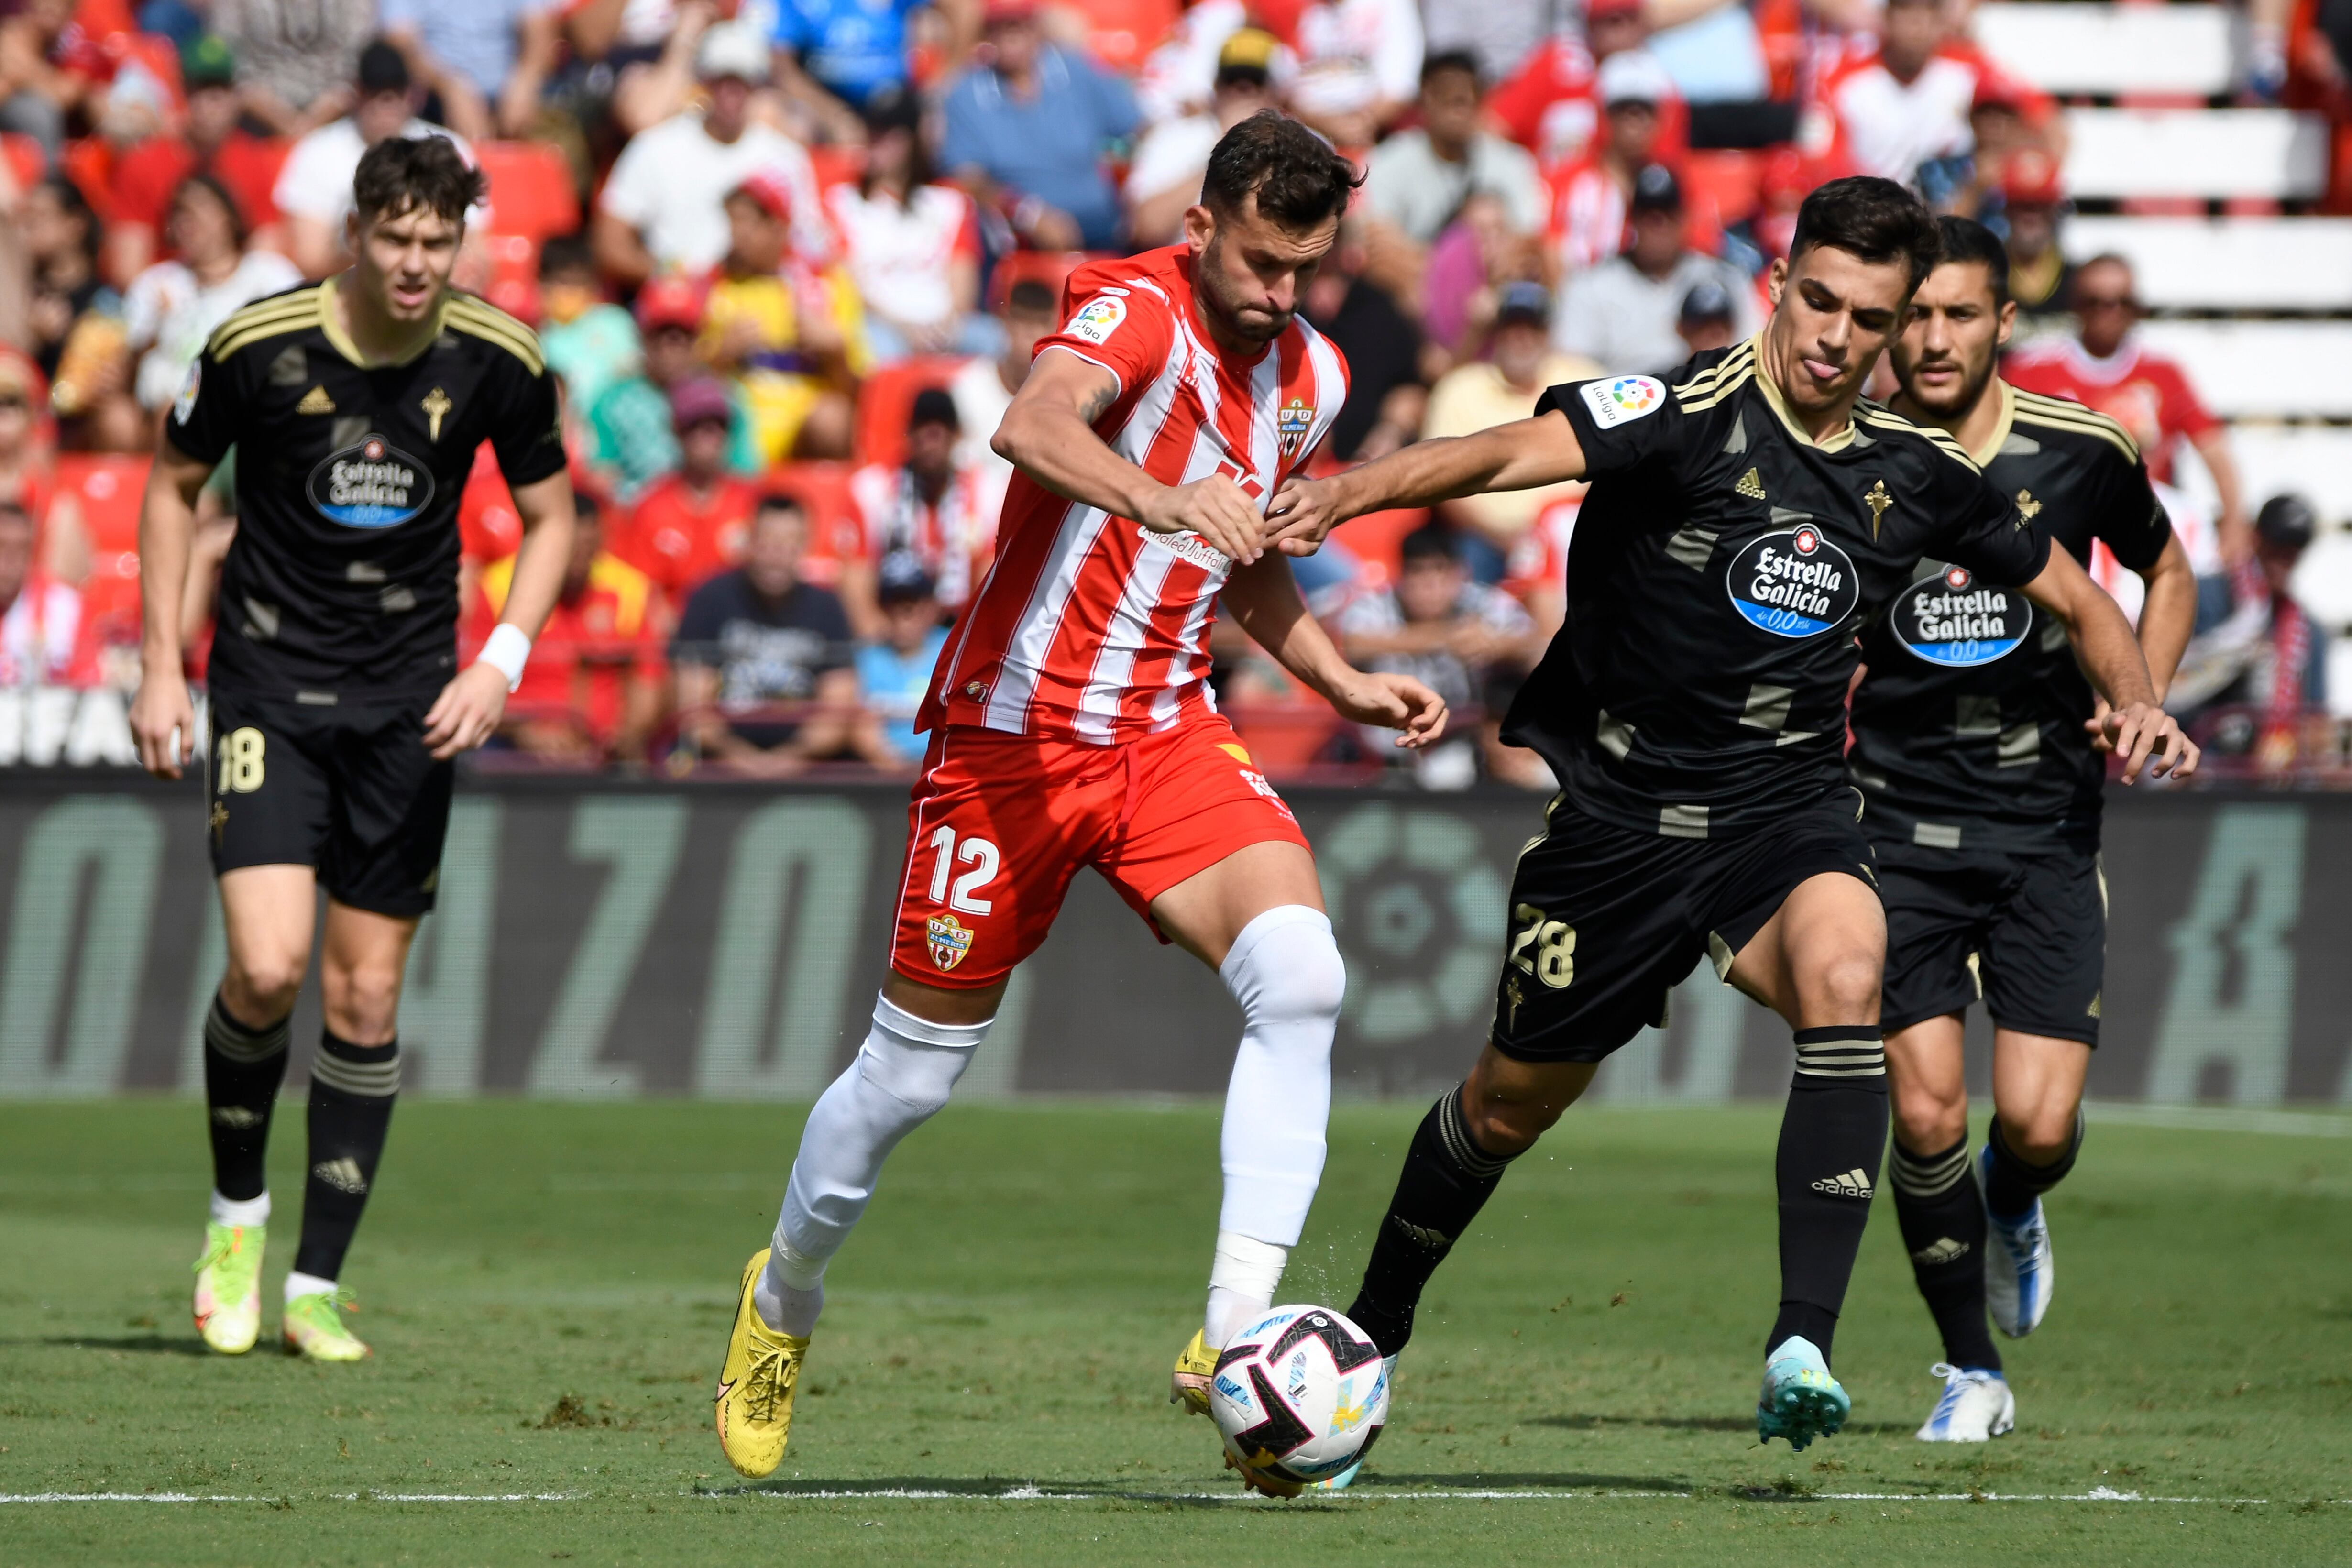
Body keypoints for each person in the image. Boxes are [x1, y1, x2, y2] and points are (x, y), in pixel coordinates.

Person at [1262, 175, 2195, 1464]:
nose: (1834, 334)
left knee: (1847, 970)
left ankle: (1797, 1342)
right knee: (1504, 1105)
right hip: (1618, 822)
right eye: (1817, 298)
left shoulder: (1913, 475)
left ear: (1890, 329)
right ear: (1778, 285)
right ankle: (1369, 1332)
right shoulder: (1683, 412)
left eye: (1866, 318)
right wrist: (1345, 493)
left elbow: (2088, 607)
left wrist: (2135, 697)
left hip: (1788, 811)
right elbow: (1496, 455)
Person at [707, 111, 1447, 1487]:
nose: (1281, 296)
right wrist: (1165, 496)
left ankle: (1233, 1334)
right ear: (1200, 226)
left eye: (1307, 269)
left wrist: (1341, 679)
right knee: (905, 1077)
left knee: (1301, 975)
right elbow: (1031, 423)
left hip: (1165, 728)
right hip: (1010, 742)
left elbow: (1252, 566)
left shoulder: (1312, 372)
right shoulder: (1129, 303)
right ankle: (783, 1296)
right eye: (1263, 264)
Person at [127, 134, 576, 1362]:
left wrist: (504, 659)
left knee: (365, 995)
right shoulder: (254, 344)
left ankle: (317, 1281)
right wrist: (162, 661)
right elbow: (170, 484)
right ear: (356, 233)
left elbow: (551, 516)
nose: (420, 263)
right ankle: (236, 1218)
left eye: (441, 241)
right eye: (398, 239)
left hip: (411, 705)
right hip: (268, 685)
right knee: (269, 971)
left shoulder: (499, 359)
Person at [1851, 217, 2195, 1443]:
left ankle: (2012, 1201)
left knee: (2035, 1128)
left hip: (2046, 822)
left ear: (2003, 322)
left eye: (1957, 314)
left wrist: (2136, 703)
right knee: (1926, 1111)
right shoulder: (1846, 451)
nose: (1930, 339)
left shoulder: (2082, 448)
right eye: (1912, 316)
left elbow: (2166, 573)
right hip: (1889, 826)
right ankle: (1968, 1370)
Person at [2004, 255, 2248, 566]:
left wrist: (2234, 522)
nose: (2110, 312)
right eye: (2096, 302)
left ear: (2137, 309)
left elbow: (2214, 447)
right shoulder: (2032, 368)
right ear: (2076, 304)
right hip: (2060, 522)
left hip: (2146, 524)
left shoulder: (2163, 372)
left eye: (2122, 302)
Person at [592, 22, 829, 286]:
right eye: (721, 80)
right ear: (704, 83)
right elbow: (611, 243)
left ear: (756, 86)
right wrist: (668, 276)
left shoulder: (786, 157)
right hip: (678, 304)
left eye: (742, 81)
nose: (731, 92)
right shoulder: (655, 146)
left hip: (761, 299)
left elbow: (811, 244)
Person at [1333, 522, 1537, 787]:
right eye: (1418, 573)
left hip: (1465, 745)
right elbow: (1351, 644)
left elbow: (1534, 643)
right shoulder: (1376, 605)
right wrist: (1445, 637)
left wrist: (1495, 644)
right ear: (1402, 576)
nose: (1430, 586)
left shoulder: (1481, 600)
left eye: (1440, 572)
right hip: (1385, 753)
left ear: (1461, 574)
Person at [671, 491, 860, 774]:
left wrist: (789, 759)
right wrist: (741, 759)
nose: (777, 555)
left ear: (804, 546)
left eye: (789, 544)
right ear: (750, 541)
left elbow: (838, 709)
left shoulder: (827, 607)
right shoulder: (709, 599)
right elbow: (692, 706)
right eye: (768, 542)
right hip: (719, 768)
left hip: (806, 769)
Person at [476, 489, 665, 761]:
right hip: (513, 749)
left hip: (605, 757)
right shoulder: (498, 589)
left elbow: (648, 681)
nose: (579, 560)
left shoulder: (631, 592)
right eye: (571, 549)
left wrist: (625, 736)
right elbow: (474, 679)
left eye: (589, 548)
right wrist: (524, 732)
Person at [1419, 280, 1593, 570]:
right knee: (1464, 559)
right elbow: (1439, 480)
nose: (1521, 337)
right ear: (1496, 333)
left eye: (1532, 327)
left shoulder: (1582, 380)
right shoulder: (1459, 388)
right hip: (1485, 539)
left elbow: (1615, 462)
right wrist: (1499, 538)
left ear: (1548, 333)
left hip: (1573, 529)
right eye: (1512, 326)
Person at [940, 0, 1139, 252]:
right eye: (1001, 26)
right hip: (1016, 233)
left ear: (1037, 27)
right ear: (987, 34)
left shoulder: (1075, 71)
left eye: (1020, 24)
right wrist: (1027, 212)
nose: (1012, 34)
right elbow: (967, 177)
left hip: (1103, 221)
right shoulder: (967, 94)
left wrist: (1134, 179)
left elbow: (1135, 125)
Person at [273, 41, 479, 280]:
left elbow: (475, 256)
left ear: (413, 95)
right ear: (356, 94)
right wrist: (383, 253)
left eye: (396, 93)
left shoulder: (449, 150)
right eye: (375, 93)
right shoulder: (317, 152)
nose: (386, 105)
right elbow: (310, 261)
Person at [1359, 50, 1546, 301]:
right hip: (1418, 293)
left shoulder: (1512, 162)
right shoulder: (1387, 161)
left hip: (1495, 289)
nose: (1461, 105)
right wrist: (1454, 272)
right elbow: (1380, 244)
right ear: (1425, 100)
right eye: (1449, 97)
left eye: (1469, 97)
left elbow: (1527, 239)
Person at [700, 172, 859, 464]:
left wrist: (835, 352)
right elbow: (685, 379)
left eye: (746, 222)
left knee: (833, 419)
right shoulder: (713, 286)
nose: (736, 234)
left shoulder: (826, 286)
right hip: (736, 425)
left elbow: (859, 391)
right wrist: (721, 354)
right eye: (732, 222)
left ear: (778, 228)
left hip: (803, 430)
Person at [107, 35, 290, 284]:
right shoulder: (144, 163)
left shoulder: (256, 162)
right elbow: (128, 268)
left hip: (233, 292)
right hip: (166, 295)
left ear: (236, 96)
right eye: (197, 92)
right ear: (182, 93)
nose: (208, 105)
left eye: (219, 92)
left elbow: (266, 252)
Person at [825, 87, 988, 363]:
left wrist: (942, 330)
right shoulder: (842, 202)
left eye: (889, 135)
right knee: (879, 349)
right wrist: (904, 329)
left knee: (999, 344)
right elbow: (847, 287)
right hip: (880, 325)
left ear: (911, 140)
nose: (876, 142)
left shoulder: (949, 203)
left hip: (944, 327)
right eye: (872, 132)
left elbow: (963, 289)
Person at [1820, 0, 2052, 190]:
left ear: (1942, 21)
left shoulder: (1970, 68)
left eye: (1929, 12)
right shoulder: (1842, 81)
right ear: (1887, 17)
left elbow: (2047, 122)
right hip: (1871, 212)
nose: (1917, 25)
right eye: (1906, 11)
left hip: (1955, 213)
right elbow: (1825, 161)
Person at [122, 176, 305, 416]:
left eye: (201, 209)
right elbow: (129, 362)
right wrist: (156, 328)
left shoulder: (270, 276)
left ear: (228, 216)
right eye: (181, 213)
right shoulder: (157, 284)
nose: (190, 221)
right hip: (168, 405)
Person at [1553, 163, 1758, 376]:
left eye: (1668, 212)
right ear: (1631, 220)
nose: (1658, 223)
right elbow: (1573, 372)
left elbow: (1752, 357)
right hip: (1622, 401)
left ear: (1685, 217)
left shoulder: (1725, 280)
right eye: (1647, 214)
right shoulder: (1589, 286)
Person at [841, 387, 998, 635]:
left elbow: (989, 578)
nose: (929, 443)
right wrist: (882, 642)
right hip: (892, 630)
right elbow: (855, 577)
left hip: (959, 630)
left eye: (938, 432)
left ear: (956, 436)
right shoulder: (873, 491)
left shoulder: (987, 492)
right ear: (909, 435)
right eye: (921, 431)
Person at [1125, 27, 1280, 249]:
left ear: (1274, 92)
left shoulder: (1295, 140)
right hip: (1183, 266)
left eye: (1255, 83)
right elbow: (1146, 229)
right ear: (1217, 86)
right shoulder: (1174, 136)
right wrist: (1227, 147)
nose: (1242, 91)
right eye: (1232, 81)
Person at [619, 376, 761, 604]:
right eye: (695, 424)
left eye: (718, 424)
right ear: (677, 432)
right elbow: (643, 592)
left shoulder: (752, 503)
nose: (709, 433)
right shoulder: (651, 507)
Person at [1544, 48, 1676, 275]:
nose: (1634, 120)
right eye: (1623, 109)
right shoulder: (1568, 181)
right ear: (1605, 114)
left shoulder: (1672, 187)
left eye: (1644, 110)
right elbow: (1549, 248)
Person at [380, 0, 561, 143]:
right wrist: (450, 89)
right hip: (434, 103)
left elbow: (540, 31)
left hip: (511, 103)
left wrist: (525, 84)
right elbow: (400, 43)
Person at [213, 0, 375, 139]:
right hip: (256, 125)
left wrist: (312, 123)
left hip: (336, 126)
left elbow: (361, 56)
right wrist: (283, 122)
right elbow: (227, 54)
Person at [948, 275, 1055, 481]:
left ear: (1053, 328)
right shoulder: (967, 387)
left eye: (1038, 324)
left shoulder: (1062, 395)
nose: (1028, 337)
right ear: (1005, 322)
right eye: (1021, 322)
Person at [852, 550, 949, 771]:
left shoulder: (952, 650)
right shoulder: (868, 658)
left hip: (943, 774)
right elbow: (863, 732)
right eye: (892, 604)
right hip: (886, 781)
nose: (902, 616)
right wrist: (898, 769)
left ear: (932, 607)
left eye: (911, 605)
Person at [0, 498, 81, 686]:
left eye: (21, 549)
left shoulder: (65, 608)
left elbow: (86, 687)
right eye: (1, 547)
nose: (9, 561)